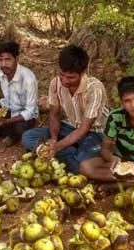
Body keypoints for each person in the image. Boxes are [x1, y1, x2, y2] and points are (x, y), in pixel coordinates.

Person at [22, 44, 108, 173]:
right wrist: (54, 138)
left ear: (83, 72)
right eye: (62, 74)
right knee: (27, 137)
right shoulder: (56, 83)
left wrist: (57, 147)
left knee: (81, 166)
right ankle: (70, 152)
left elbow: (84, 128)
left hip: (94, 133)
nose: (65, 80)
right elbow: (54, 114)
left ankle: (66, 153)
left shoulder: (95, 88)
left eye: (71, 77)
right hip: (69, 127)